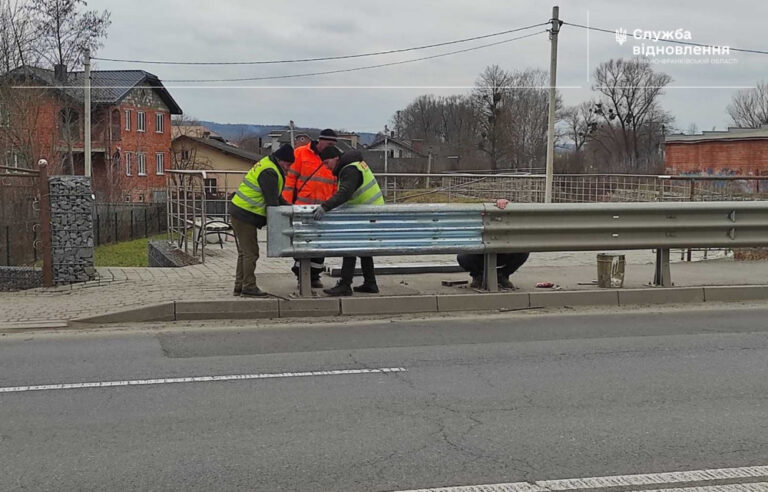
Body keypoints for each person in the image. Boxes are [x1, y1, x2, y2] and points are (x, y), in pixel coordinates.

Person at [312, 149, 384, 296]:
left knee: (349, 246)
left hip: (366, 213)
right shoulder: (355, 165)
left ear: (336, 158)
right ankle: (370, 283)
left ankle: (345, 285)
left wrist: (325, 207)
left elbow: (345, 192)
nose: (326, 166)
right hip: (371, 212)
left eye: (327, 162)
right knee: (363, 249)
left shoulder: (350, 169)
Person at [230, 143, 294, 297]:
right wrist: (280, 224)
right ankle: (249, 287)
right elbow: (272, 203)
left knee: (244, 253)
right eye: (287, 164)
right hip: (245, 214)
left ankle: (240, 285)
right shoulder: (269, 172)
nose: (289, 168)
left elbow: (276, 195)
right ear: (280, 160)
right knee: (251, 253)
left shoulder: (269, 165)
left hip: (240, 212)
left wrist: (289, 207)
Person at [282, 128, 340, 288]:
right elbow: (290, 180)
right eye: (328, 143)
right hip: (302, 208)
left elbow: (335, 185)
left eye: (333, 144)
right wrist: (287, 207)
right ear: (320, 141)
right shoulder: (301, 153)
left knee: (319, 247)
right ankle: (303, 276)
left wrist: (332, 207)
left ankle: (313, 276)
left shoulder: (334, 158)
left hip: (323, 210)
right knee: (302, 245)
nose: (330, 147)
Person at [457, 199, 529, 290]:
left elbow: (516, 218)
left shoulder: (504, 218)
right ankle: (479, 277)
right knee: (462, 257)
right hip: (480, 252)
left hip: (502, 251)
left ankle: (501, 276)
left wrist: (509, 205)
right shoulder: (477, 219)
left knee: (523, 251)